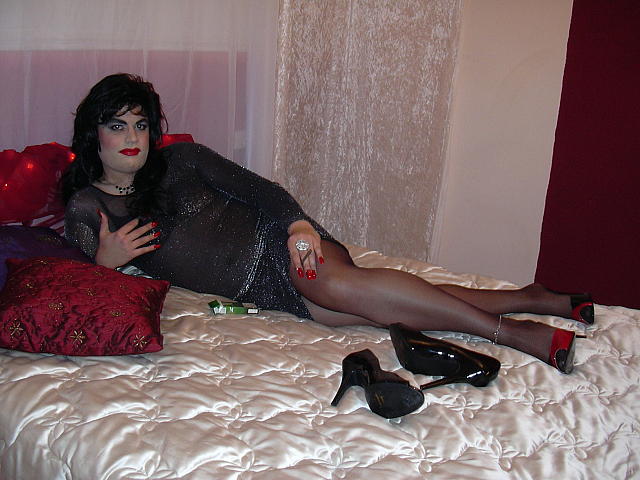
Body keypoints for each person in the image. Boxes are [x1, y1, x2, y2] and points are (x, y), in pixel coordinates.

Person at [62, 73, 589, 374]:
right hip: (266, 293)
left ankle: (512, 332)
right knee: (384, 307)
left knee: (335, 284)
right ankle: (531, 297)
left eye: (140, 124)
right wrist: (107, 264)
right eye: (117, 125)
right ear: (94, 134)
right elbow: (86, 299)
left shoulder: (183, 160)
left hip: (286, 247)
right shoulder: (88, 209)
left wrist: (298, 227)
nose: (132, 137)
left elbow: (260, 191)